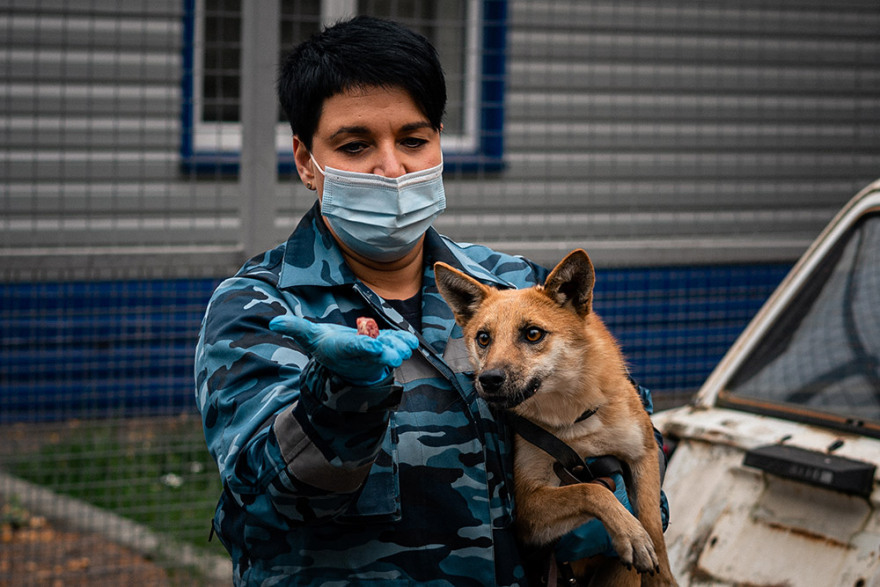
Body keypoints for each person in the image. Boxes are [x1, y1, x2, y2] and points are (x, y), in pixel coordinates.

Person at [195, 15, 667, 586]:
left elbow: (627, 418)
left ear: (440, 141)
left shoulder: (510, 282)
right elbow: (266, 499)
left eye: (414, 140)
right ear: (304, 161)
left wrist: (618, 512)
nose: (392, 168)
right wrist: (341, 399)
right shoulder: (262, 308)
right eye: (355, 144)